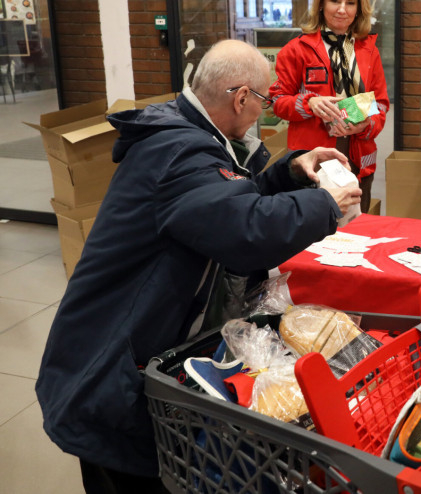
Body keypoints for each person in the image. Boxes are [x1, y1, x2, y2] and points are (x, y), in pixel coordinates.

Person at [36, 39, 361, 494]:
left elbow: (226, 198)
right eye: (263, 100)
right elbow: (242, 232)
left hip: (120, 351)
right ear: (241, 97)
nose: (264, 112)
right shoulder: (180, 152)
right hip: (107, 371)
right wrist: (324, 204)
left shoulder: (191, 138)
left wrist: (289, 172)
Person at [269, 0, 389, 213]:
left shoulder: (369, 51)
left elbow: (380, 104)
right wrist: (309, 103)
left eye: (350, 3)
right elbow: (278, 102)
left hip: (358, 161)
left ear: (359, 8)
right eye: (335, 0)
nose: (342, 9)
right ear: (321, 3)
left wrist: (366, 125)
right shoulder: (297, 50)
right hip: (314, 164)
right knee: (314, 231)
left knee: (355, 231)